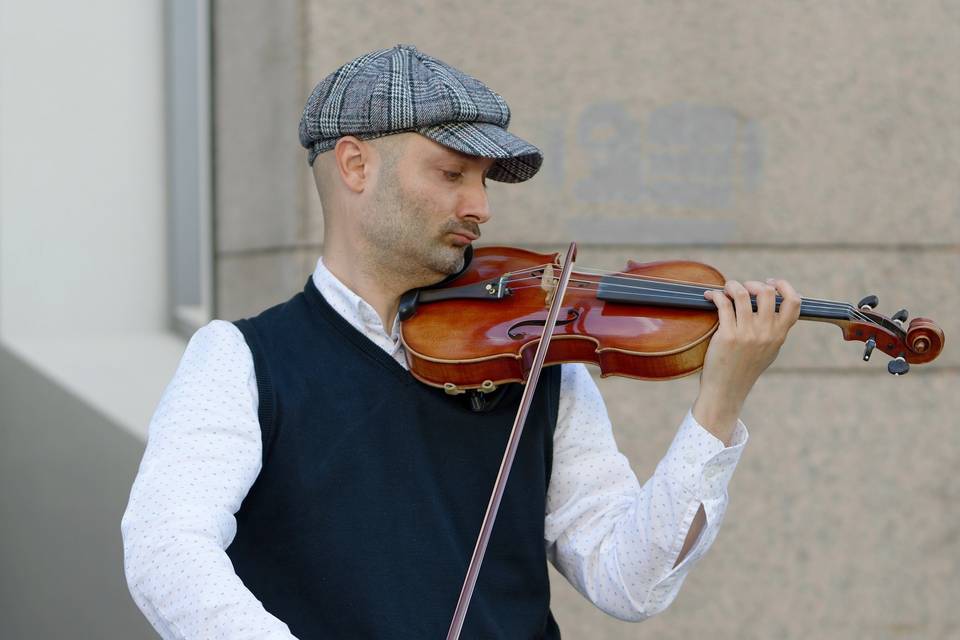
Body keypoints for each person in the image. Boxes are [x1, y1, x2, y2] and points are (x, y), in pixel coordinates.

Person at [121, 44, 801, 639]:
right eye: (452, 174)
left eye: (483, 180)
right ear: (356, 166)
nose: (480, 207)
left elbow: (629, 582)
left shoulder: (540, 366)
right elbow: (166, 548)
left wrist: (719, 407)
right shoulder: (241, 362)